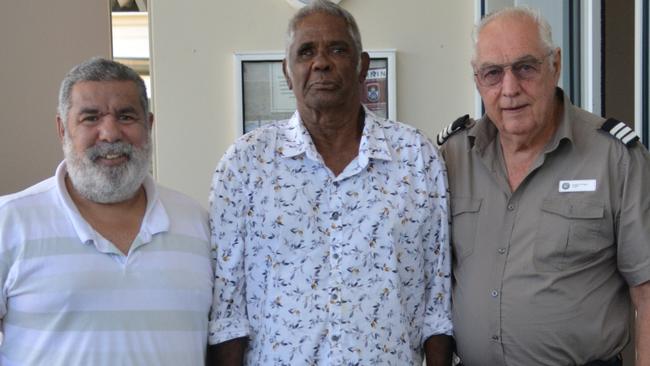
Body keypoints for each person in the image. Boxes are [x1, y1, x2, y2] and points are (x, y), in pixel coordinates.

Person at [206, 1, 452, 365]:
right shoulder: (244, 165)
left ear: (361, 65)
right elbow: (228, 314)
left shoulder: (416, 156)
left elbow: (438, 301)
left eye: (337, 49)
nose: (321, 62)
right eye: (306, 52)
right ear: (287, 72)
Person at [438, 7, 650, 366]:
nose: (510, 89)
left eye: (525, 67)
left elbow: (646, 293)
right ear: (477, 81)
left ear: (556, 64)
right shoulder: (452, 156)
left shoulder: (614, 158)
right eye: (493, 73)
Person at [0, 57, 215, 365]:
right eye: (90, 118)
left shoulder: (197, 223)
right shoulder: (9, 222)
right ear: (63, 128)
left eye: (126, 117)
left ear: (149, 125)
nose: (110, 133)